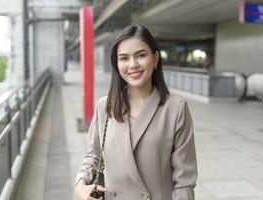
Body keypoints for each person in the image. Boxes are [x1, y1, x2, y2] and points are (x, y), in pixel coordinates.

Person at [75, 24, 197, 200]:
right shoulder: (105, 106)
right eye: (124, 58)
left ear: (155, 59)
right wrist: (80, 184)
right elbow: (93, 156)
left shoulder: (176, 109)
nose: (133, 65)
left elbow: (184, 181)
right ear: (116, 64)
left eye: (141, 55)